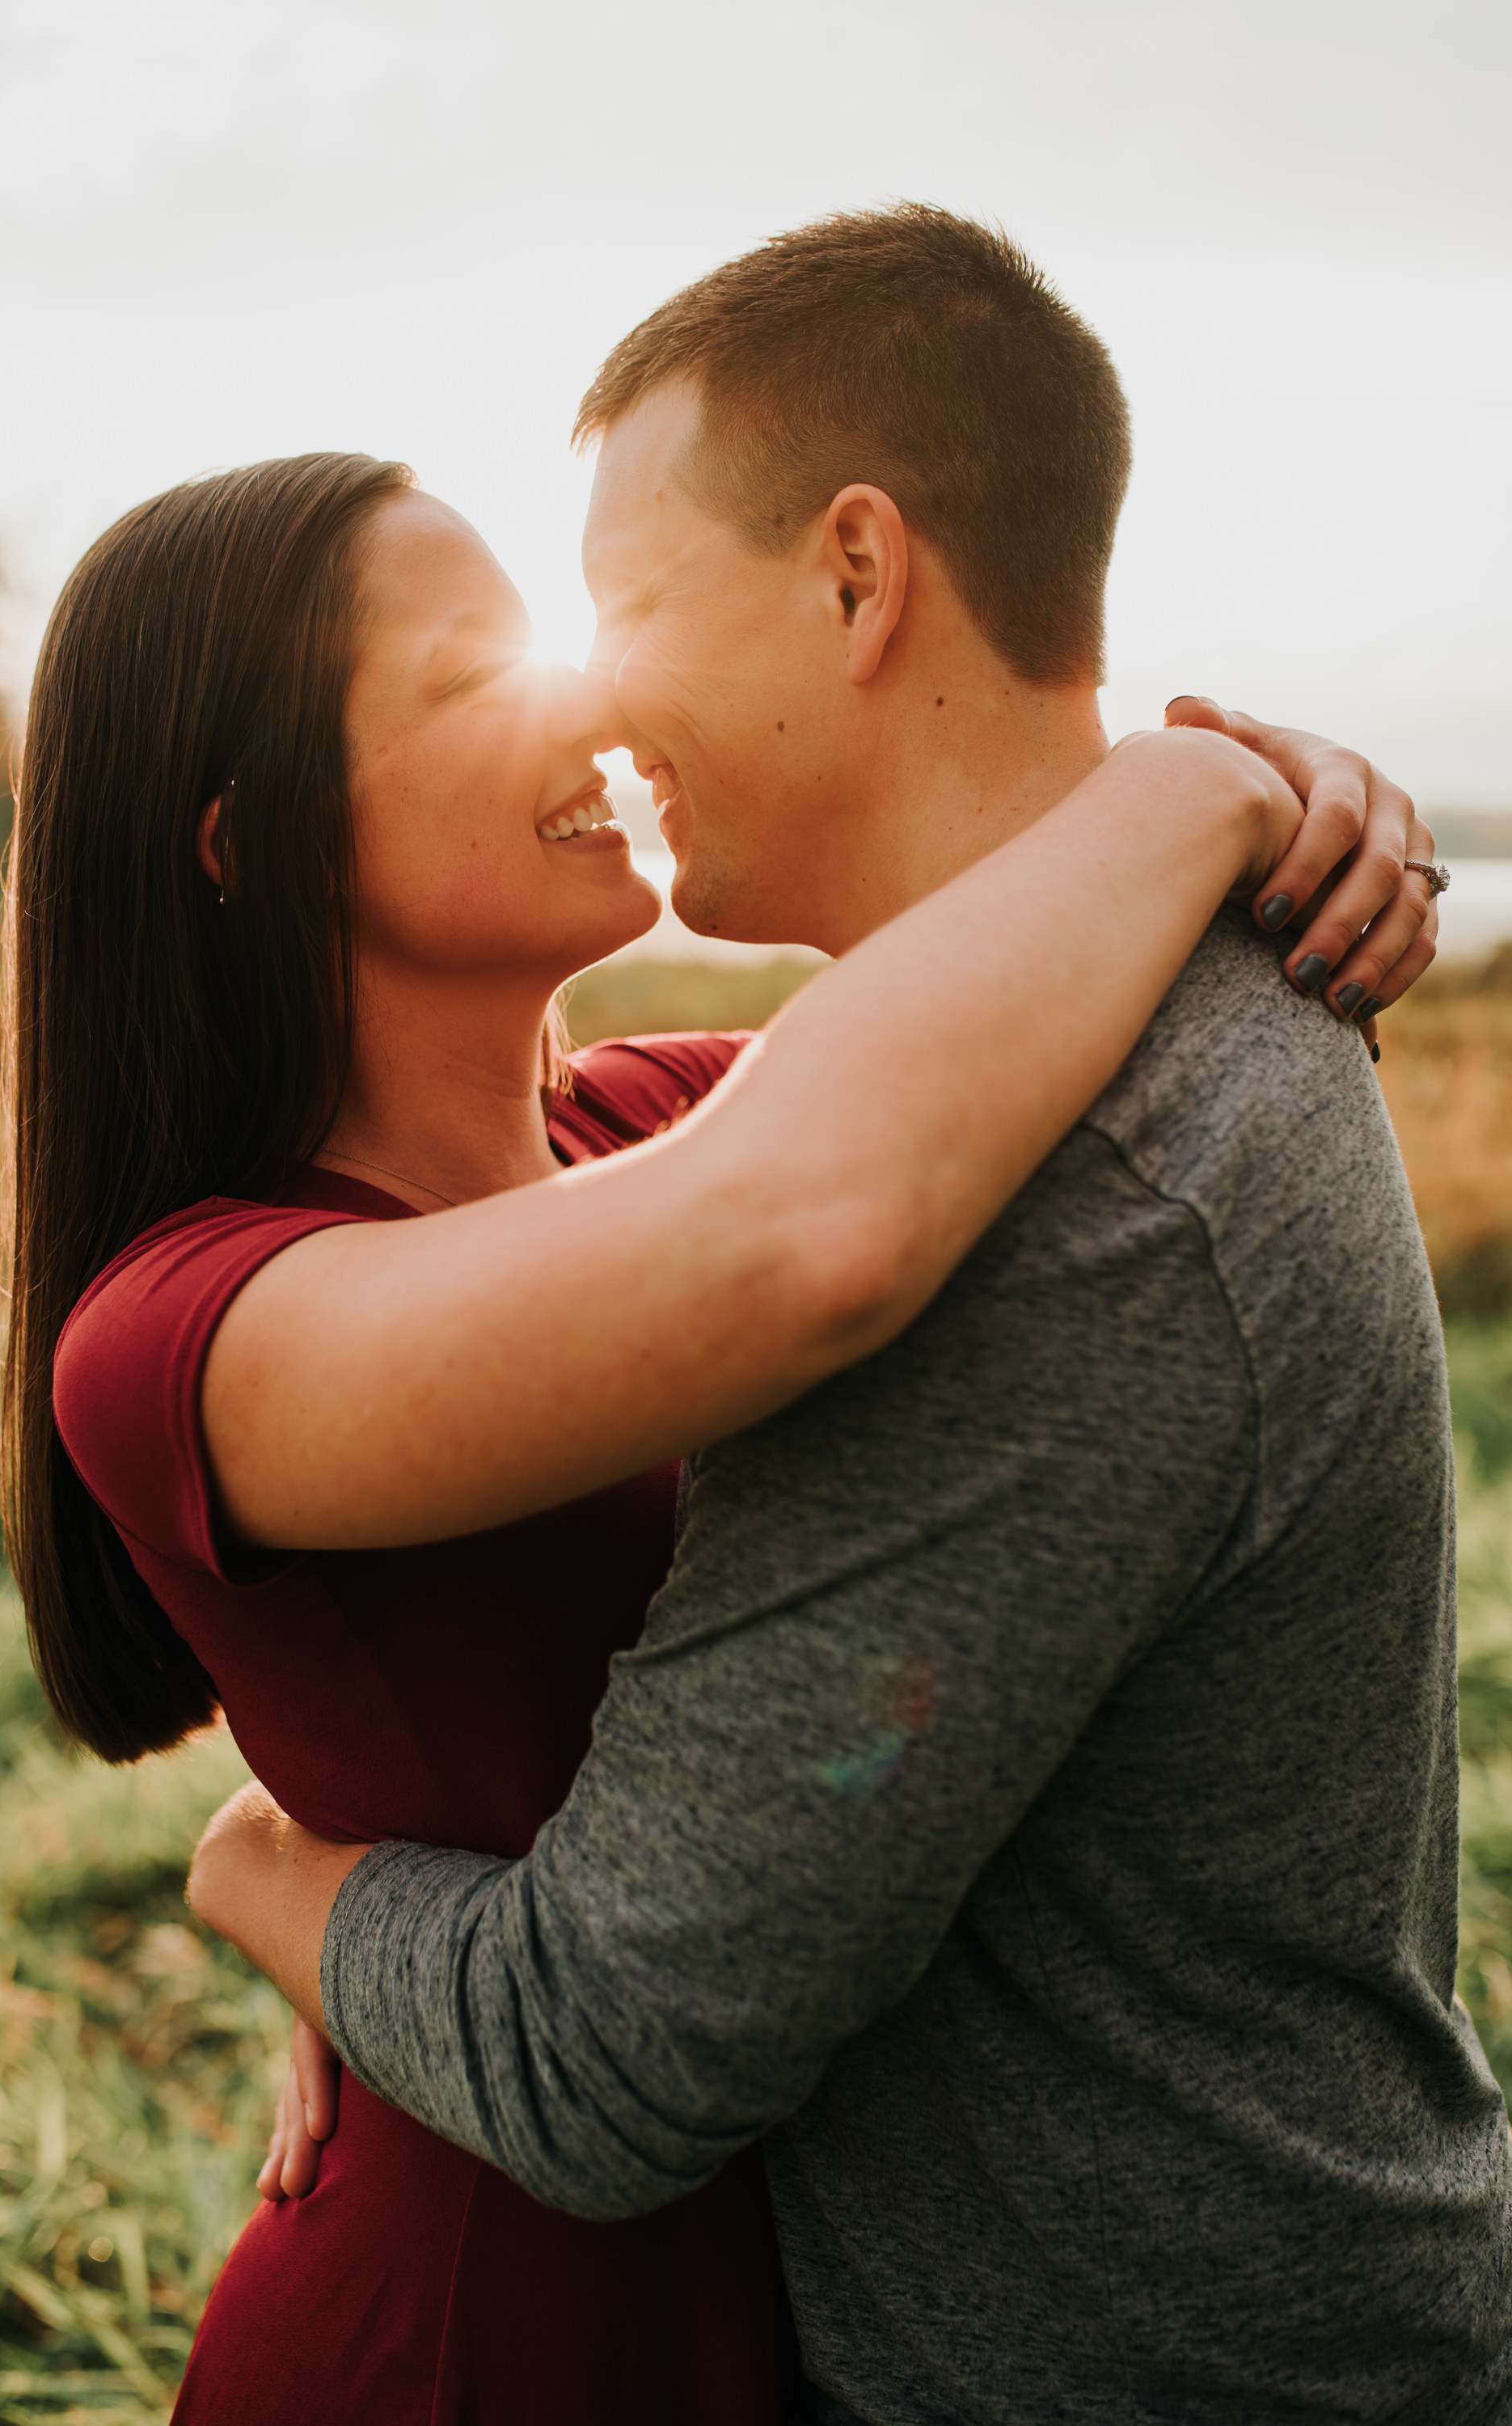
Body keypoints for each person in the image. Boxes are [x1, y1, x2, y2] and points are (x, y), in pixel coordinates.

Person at [188, 210, 1506, 2425]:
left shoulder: (1063, 1197)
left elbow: (595, 2051)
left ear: (859, 573)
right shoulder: (1053, 1044)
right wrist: (1222, 782)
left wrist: (259, 1865)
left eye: (618, 606)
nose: (587, 694)